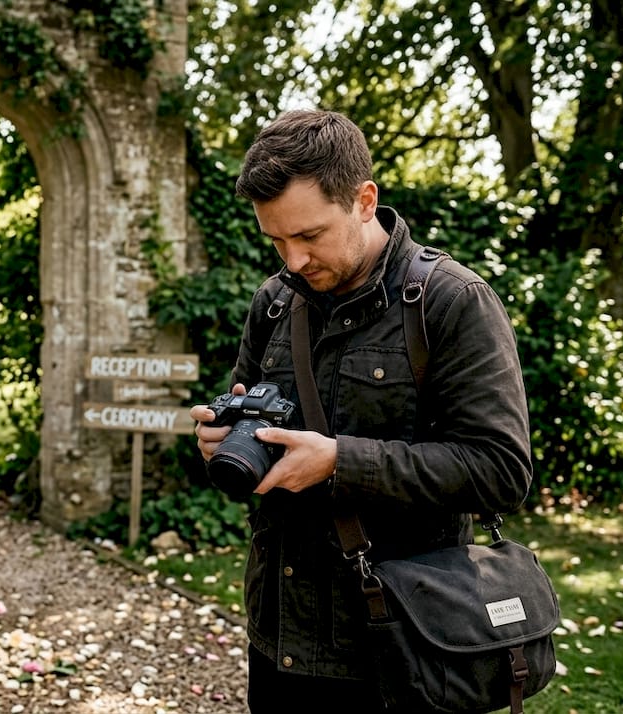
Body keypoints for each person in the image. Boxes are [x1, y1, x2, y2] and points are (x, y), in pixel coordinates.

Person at [188, 109, 533, 709]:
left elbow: (501, 472)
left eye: (310, 236)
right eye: (276, 240)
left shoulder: (452, 302)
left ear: (364, 200)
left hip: (404, 647)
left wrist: (339, 462)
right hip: (280, 642)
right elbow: (255, 439)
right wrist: (227, 445)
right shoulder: (273, 303)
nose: (292, 260)